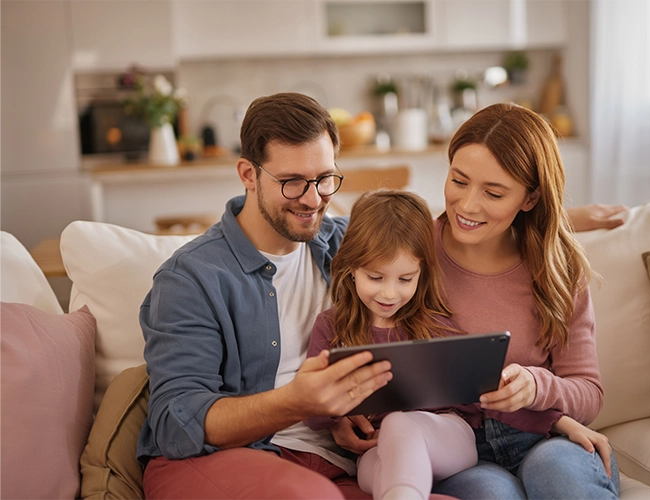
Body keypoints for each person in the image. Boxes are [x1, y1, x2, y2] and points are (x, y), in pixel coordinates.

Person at [137, 91, 625, 500]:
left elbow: (438, 224)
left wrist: (554, 416)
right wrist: (301, 403)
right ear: (248, 174)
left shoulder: (344, 243)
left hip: (388, 452)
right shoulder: (193, 278)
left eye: (325, 180)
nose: (312, 199)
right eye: (291, 182)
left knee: (549, 476)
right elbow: (176, 422)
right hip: (282, 455)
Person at [328, 103, 621, 499]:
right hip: (456, 449)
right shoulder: (408, 255)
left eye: (494, 193)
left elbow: (587, 394)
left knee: (558, 474)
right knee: (491, 494)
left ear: (530, 198)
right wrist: (341, 412)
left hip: (546, 436)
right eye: (459, 181)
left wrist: (536, 387)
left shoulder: (557, 267)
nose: (466, 205)